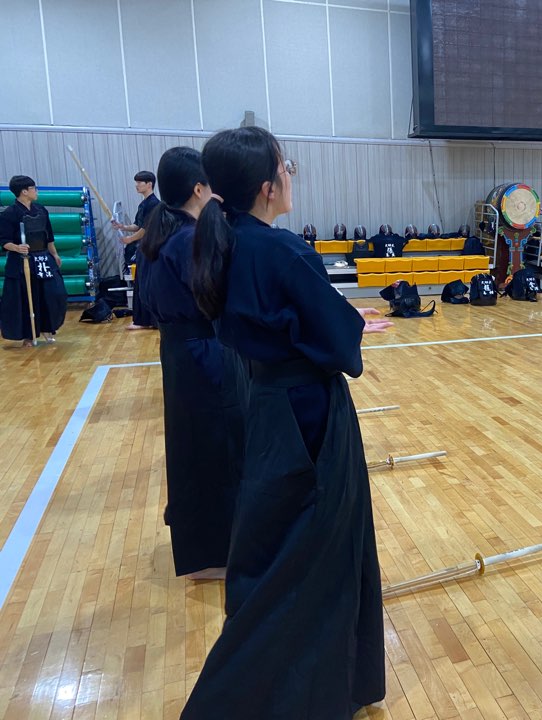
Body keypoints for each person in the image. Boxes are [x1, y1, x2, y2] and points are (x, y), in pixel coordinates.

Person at [182, 127, 391, 719]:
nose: (291, 176)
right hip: (310, 414)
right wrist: (348, 324)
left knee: (277, 548)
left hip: (269, 403)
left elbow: (290, 318)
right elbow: (335, 342)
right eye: (286, 167)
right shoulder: (282, 250)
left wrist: (340, 316)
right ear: (267, 187)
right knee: (318, 550)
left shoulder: (227, 242)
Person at [136, 147, 241, 580]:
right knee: (216, 449)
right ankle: (216, 555)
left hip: (179, 352)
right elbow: (221, 300)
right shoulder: (189, 239)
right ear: (199, 189)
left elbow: (146, 305)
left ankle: (205, 550)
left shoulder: (159, 236)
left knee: (193, 448)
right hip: (203, 353)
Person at [0, 175, 67, 346]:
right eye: (34, 188)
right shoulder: (9, 214)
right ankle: (28, 335)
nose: (36, 191)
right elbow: (4, 241)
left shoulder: (41, 210)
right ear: (24, 191)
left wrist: (55, 254)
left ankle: (47, 328)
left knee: (52, 294)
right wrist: (17, 247)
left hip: (43, 258)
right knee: (27, 297)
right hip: (22, 261)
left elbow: (48, 236)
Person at [112, 170, 159, 329]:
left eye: (139, 182)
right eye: (136, 182)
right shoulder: (144, 204)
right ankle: (142, 320)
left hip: (151, 249)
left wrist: (130, 239)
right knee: (141, 282)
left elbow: (146, 229)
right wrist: (122, 227)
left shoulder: (154, 204)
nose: (136, 185)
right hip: (143, 249)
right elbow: (138, 225)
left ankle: (147, 320)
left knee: (147, 284)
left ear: (149, 184)